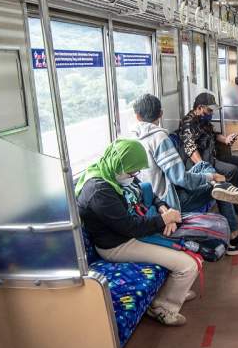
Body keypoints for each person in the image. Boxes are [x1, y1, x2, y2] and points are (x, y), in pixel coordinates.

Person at [76, 139, 197, 326]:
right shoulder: (99, 191)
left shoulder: (115, 172)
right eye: (132, 172)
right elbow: (129, 227)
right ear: (120, 165)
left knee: (189, 242)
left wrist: (162, 207)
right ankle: (162, 308)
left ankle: (175, 291)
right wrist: (164, 220)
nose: (135, 176)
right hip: (117, 244)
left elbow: (147, 192)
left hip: (133, 232)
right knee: (188, 266)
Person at [131, 94, 238, 255]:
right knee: (217, 188)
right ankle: (235, 241)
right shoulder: (159, 138)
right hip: (169, 202)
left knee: (204, 166)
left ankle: (223, 186)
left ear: (137, 116)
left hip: (154, 199)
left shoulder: (133, 138)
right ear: (161, 114)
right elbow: (181, 178)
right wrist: (210, 177)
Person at [177, 92, 238, 215]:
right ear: (200, 107)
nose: (211, 113)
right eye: (209, 110)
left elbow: (213, 134)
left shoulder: (203, 119)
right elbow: (191, 148)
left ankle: (237, 194)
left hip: (212, 155)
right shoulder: (188, 123)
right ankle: (234, 205)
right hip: (202, 160)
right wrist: (204, 167)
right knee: (232, 170)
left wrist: (226, 139)